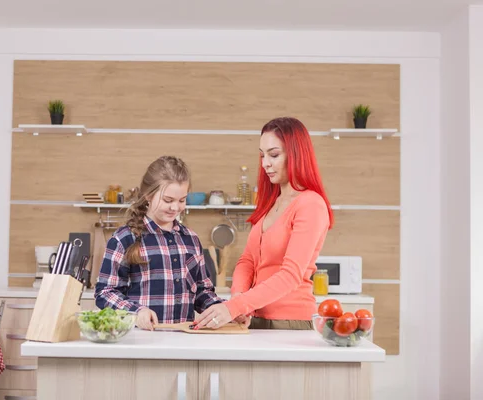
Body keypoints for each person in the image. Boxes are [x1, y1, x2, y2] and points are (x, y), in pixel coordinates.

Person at [193, 117, 334, 331]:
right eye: (262, 155)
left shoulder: (310, 204)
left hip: (289, 323)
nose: (265, 163)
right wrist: (239, 300)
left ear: (296, 154)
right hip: (256, 319)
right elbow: (247, 261)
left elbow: (290, 274)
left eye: (274, 155)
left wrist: (234, 307)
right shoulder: (270, 204)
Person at [95, 156, 224, 330]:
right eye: (168, 200)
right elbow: (104, 293)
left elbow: (202, 291)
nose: (175, 208)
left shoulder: (190, 239)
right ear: (148, 195)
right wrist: (137, 311)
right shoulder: (124, 238)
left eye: (182, 200)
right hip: (140, 341)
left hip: (184, 340)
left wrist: (224, 310)